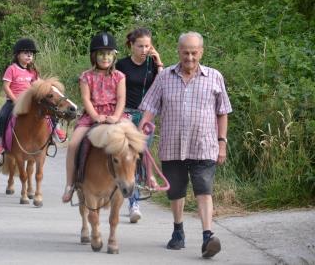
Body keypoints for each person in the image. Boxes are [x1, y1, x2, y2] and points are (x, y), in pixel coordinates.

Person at [138, 32, 232, 259]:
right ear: (178, 51)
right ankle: (178, 231)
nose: (189, 57)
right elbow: (150, 106)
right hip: (173, 145)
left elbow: (222, 112)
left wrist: (222, 143)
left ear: (201, 52)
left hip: (204, 145)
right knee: (176, 191)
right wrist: (142, 127)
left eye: (194, 52)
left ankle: (207, 236)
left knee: (204, 189)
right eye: (185, 52)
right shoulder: (164, 77)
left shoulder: (214, 77)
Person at [62, 32, 127, 203]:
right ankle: (70, 184)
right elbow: (85, 99)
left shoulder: (119, 76)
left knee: (134, 140)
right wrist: (96, 116)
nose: (105, 58)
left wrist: (115, 116)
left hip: (115, 114)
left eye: (108, 54)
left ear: (114, 56)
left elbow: (121, 99)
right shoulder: (86, 76)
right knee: (74, 144)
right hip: (92, 115)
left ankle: (138, 178)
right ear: (94, 56)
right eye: (101, 54)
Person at [116, 27, 163, 223]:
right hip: (126, 113)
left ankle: (142, 188)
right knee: (129, 155)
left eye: (148, 46)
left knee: (143, 150)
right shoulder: (122, 64)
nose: (144, 50)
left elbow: (162, 85)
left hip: (146, 115)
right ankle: (131, 200)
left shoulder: (152, 65)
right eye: (140, 46)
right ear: (131, 46)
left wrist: (159, 62)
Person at [0, 38, 40, 162]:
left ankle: (55, 133)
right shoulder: (12, 69)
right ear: (18, 55)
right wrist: (14, 100)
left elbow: (38, 86)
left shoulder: (33, 71)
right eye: (25, 52)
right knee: (2, 117)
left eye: (31, 53)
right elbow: (6, 86)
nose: (29, 55)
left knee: (49, 112)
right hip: (13, 102)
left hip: (29, 102)